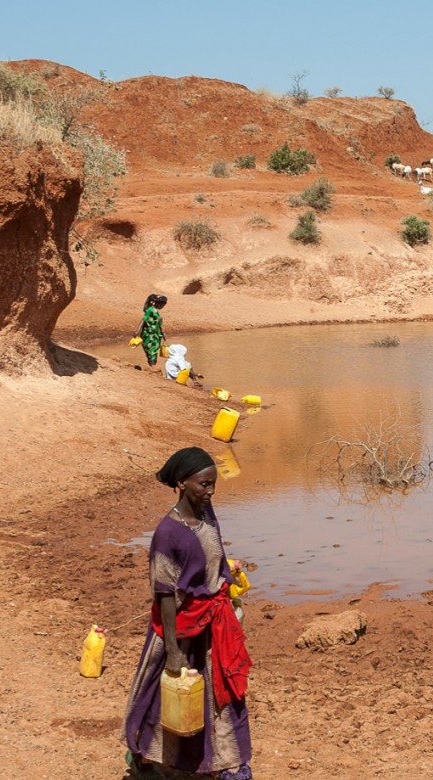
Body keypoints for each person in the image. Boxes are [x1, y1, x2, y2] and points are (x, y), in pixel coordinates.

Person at [122, 447, 252, 780]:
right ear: (181, 482)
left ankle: (227, 765)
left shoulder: (207, 515)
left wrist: (227, 578)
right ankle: (152, 762)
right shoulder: (168, 533)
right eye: (203, 485)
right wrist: (174, 652)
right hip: (182, 630)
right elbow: (165, 595)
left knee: (223, 700)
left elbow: (211, 560)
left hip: (214, 626)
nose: (210, 492)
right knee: (168, 701)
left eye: (213, 484)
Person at [135, 294, 168, 368]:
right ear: (159, 304)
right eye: (162, 305)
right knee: (151, 352)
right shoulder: (150, 310)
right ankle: (152, 367)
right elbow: (143, 320)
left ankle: (152, 366)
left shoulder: (156, 311)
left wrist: (163, 334)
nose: (162, 307)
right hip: (149, 335)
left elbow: (159, 324)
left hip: (155, 336)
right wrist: (137, 331)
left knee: (154, 352)